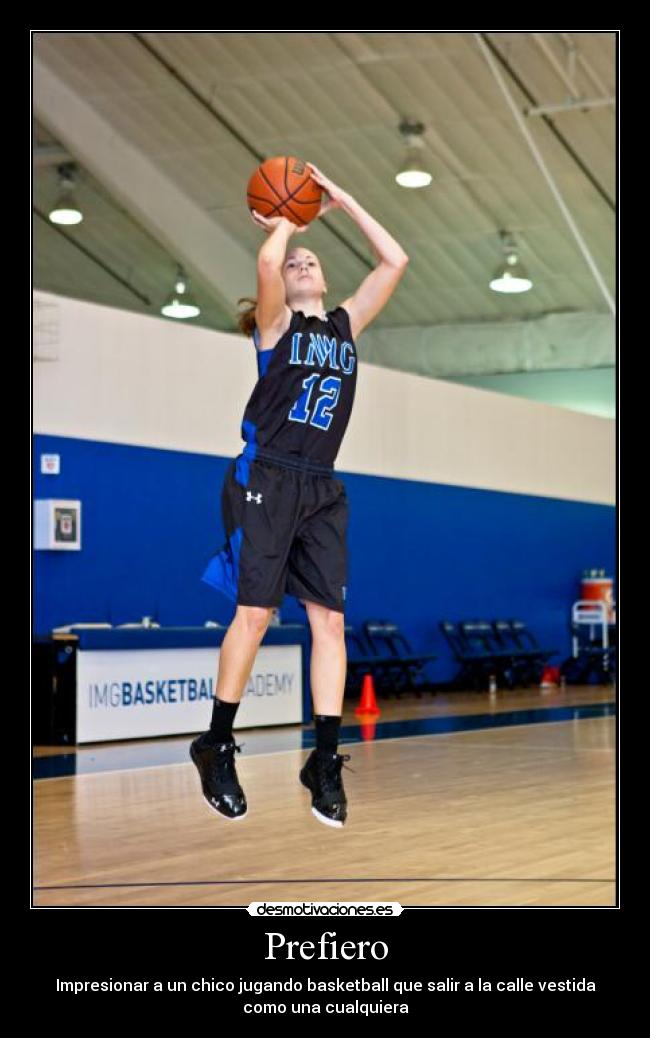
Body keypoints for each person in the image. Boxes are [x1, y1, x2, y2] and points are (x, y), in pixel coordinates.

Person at [191, 161, 409, 827]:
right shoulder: (275, 327)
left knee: (330, 623)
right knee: (255, 616)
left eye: (311, 257)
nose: (303, 261)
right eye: (296, 261)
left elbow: (395, 258)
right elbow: (267, 262)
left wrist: (341, 198)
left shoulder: (344, 327)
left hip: (322, 486)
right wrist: (285, 224)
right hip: (267, 476)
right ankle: (216, 741)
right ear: (281, 285)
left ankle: (324, 758)